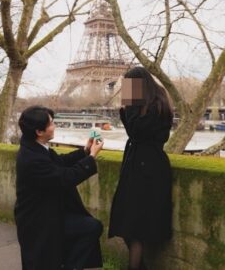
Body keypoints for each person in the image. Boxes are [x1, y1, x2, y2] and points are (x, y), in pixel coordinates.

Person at [14, 105, 104, 270]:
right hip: (38, 221)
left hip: (47, 213)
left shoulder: (35, 147)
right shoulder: (32, 158)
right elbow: (64, 178)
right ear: (39, 132)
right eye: (51, 124)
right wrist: (91, 157)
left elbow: (60, 162)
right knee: (90, 227)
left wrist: (84, 151)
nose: (54, 126)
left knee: (91, 227)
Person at [108, 67, 173, 270]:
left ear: (138, 86)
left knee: (134, 227)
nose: (126, 90)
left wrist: (128, 108)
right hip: (142, 167)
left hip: (146, 170)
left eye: (129, 86)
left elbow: (136, 132)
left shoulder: (152, 107)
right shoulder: (156, 102)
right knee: (131, 224)